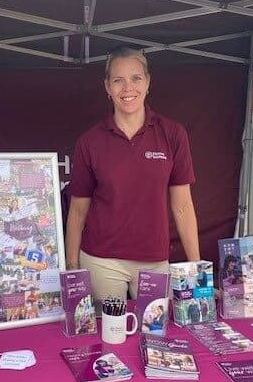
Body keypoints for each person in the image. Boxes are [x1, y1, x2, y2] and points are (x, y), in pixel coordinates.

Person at [65, 46, 199, 304]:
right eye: (118, 80)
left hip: (154, 261)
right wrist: (73, 267)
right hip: (102, 260)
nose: (128, 88)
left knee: (155, 336)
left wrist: (196, 269)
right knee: (109, 336)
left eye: (136, 78)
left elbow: (182, 206)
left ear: (148, 82)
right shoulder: (89, 141)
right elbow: (78, 209)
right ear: (107, 86)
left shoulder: (172, 134)